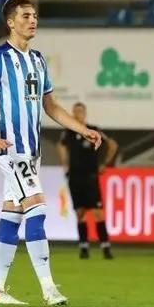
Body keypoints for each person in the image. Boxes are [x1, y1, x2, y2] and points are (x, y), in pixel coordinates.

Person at [0, 0, 102, 306]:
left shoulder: (38, 60)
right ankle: (48, 288)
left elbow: (51, 105)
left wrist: (81, 128)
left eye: (34, 16)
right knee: (37, 207)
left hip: (30, 151)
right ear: (11, 22)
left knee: (13, 213)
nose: (33, 21)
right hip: (9, 148)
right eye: (26, 16)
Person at [56, 102, 118, 260]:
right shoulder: (68, 132)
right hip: (75, 176)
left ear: (84, 113)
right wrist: (65, 164)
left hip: (90, 176)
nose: (78, 114)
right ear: (73, 114)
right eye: (76, 112)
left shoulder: (93, 130)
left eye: (81, 111)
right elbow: (60, 146)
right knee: (80, 212)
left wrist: (105, 163)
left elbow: (112, 144)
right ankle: (84, 247)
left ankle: (105, 246)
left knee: (98, 212)